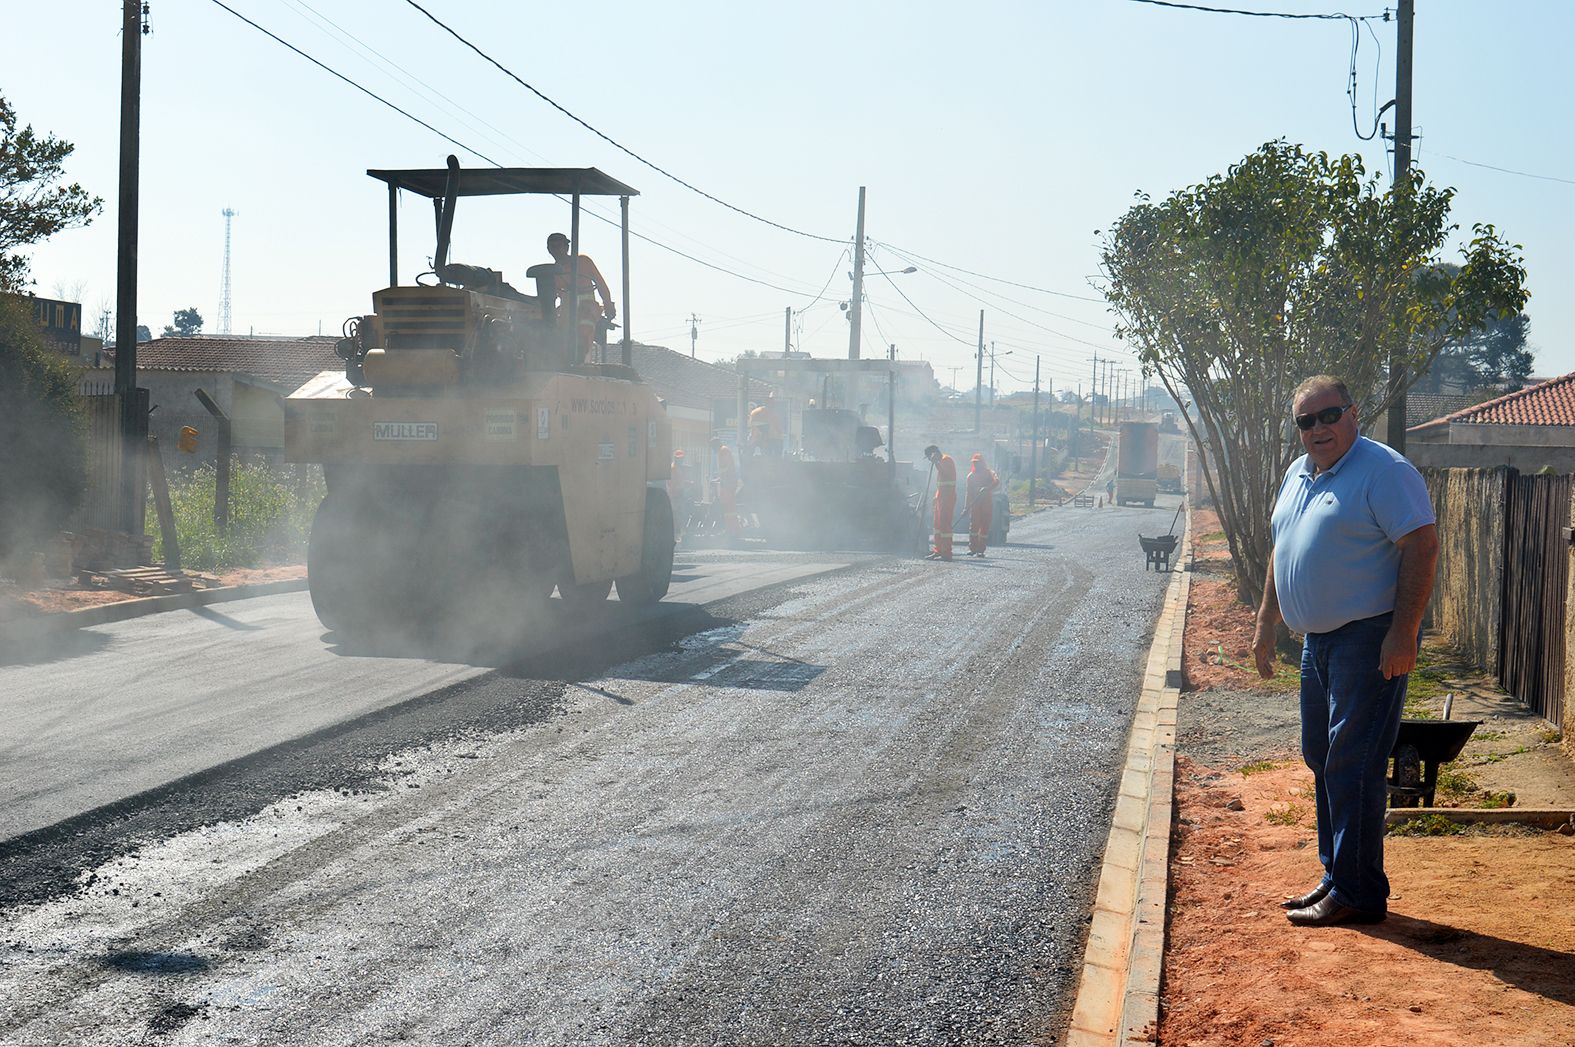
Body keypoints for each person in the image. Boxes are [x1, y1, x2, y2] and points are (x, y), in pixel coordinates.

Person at [1253, 375, 1439, 928]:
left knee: (1352, 763)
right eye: (1306, 421)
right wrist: (1268, 619)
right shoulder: (1298, 473)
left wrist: (1403, 633)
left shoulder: (1385, 471)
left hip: (1368, 637)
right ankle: (1337, 876)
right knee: (1322, 757)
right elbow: (1281, 546)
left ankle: (1359, 893)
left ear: (1353, 414)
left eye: (1328, 416)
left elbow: (1422, 545)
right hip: (1319, 643)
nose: (1318, 429)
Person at [546, 232, 615, 361]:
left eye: (559, 246)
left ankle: (580, 359)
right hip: (566, 309)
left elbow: (601, 285)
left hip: (588, 306)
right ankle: (562, 361)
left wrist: (608, 305)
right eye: (552, 247)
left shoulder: (583, 262)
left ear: (566, 247)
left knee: (584, 327)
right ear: (548, 250)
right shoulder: (551, 272)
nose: (556, 250)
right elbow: (552, 298)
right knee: (553, 331)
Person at [923, 444, 956, 561]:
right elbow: (941, 483)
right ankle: (938, 550)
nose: (929, 460)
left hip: (948, 497)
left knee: (944, 525)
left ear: (934, 453)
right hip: (941, 497)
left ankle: (946, 553)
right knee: (937, 525)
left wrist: (936, 462)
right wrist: (936, 497)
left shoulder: (946, 460)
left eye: (929, 457)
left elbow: (946, 474)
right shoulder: (941, 461)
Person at [965, 453, 1000, 558]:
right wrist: (966, 507)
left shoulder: (989, 473)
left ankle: (981, 550)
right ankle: (973, 549)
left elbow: (997, 481)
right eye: (974, 463)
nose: (976, 465)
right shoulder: (970, 476)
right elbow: (968, 493)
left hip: (986, 504)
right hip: (975, 505)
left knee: (984, 528)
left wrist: (987, 488)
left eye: (978, 463)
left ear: (982, 463)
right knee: (973, 528)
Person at [711, 436, 742, 540]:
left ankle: (732, 532)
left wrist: (722, 477)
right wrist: (720, 478)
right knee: (728, 509)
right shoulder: (723, 450)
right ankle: (731, 531)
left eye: (713, 446)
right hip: (728, 483)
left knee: (729, 509)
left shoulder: (723, 451)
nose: (713, 449)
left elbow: (727, 467)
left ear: (716, 444)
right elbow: (725, 468)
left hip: (728, 483)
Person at [748, 391, 784, 457]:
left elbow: (751, 425)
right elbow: (779, 429)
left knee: (750, 453)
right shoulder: (773, 414)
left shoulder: (754, 412)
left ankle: (749, 458)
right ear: (772, 404)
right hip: (770, 440)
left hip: (755, 439)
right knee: (775, 453)